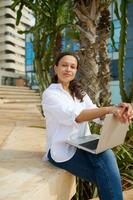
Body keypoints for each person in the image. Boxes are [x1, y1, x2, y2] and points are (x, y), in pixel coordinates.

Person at [42, 52, 133, 200]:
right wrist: (109, 109)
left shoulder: (79, 92)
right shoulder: (51, 95)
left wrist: (120, 109)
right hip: (62, 150)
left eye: (72, 66)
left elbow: (95, 113)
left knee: (106, 156)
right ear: (55, 68)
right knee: (107, 178)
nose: (68, 69)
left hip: (82, 143)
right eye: (64, 65)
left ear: (76, 70)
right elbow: (76, 117)